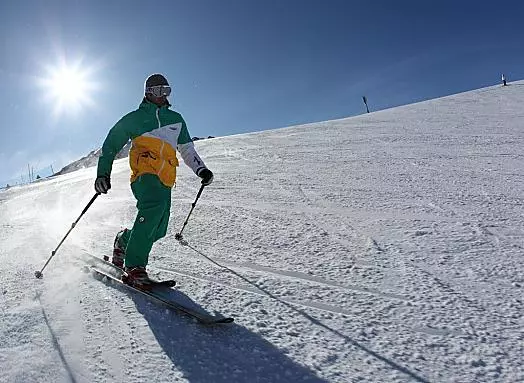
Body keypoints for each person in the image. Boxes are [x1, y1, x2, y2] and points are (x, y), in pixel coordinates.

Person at [94, 73, 214, 290]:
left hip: (166, 178)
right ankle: (134, 268)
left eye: (166, 91)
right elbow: (111, 143)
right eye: (159, 91)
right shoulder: (134, 119)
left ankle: (123, 241)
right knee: (153, 208)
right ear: (148, 92)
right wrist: (103, 174)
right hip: (144, 173)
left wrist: (201, 169)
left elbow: (186, 149)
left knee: (158, 229)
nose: (163, 96)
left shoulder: (176, 120)